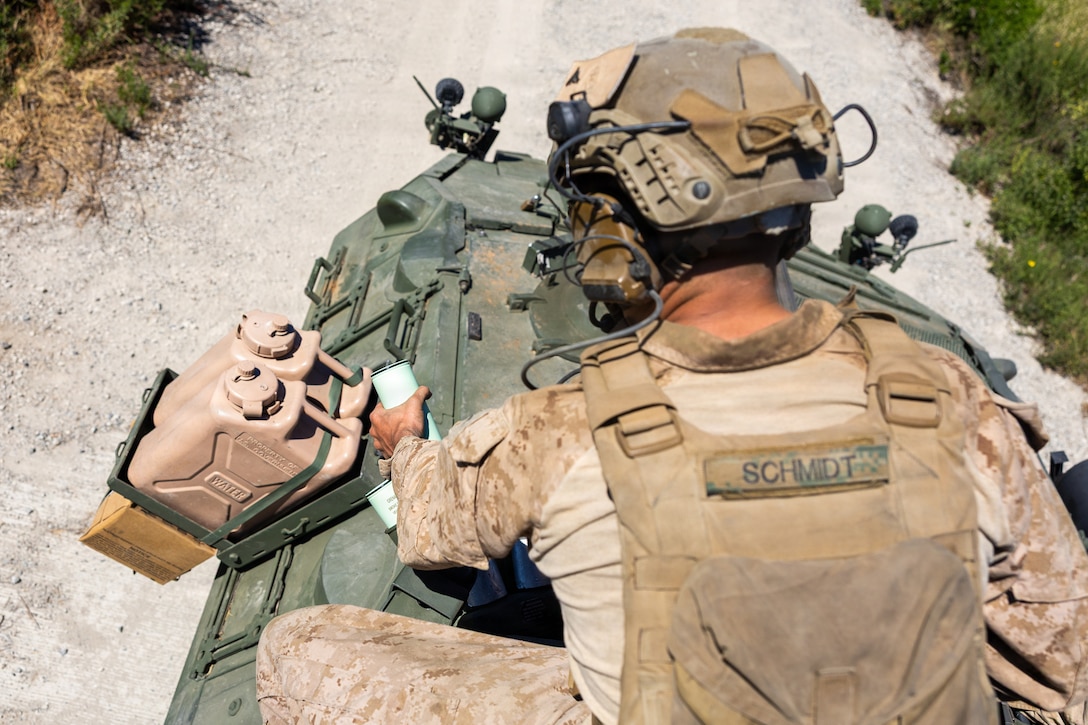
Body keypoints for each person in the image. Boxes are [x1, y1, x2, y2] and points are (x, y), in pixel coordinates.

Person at [255, 28, 1088, 725]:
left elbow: (430, 528)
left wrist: (405, 442)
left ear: (617, 235)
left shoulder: (563, 428)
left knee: (300, 649)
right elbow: (1060, 666)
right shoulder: (949, 397)